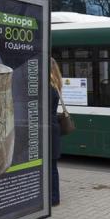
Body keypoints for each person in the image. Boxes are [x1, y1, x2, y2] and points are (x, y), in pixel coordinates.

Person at [50, 58, 62, 206]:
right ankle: (54, 197)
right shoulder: (56, 83)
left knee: (51, 167)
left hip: (49, 129)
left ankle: (53, 198)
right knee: (53, 166)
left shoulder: (49, 87)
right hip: (53, 128)